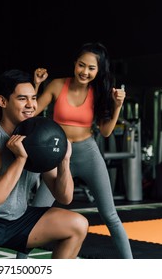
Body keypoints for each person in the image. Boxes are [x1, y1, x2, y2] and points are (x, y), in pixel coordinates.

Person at [0, 69, 88, 259]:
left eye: (33, 98)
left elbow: (64, 197)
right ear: (3, 102)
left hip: (19, 219)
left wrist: (64, 161)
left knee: (78, 225)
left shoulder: (39, 137)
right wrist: (20, 160)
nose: (31, 105)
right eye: (22, 99)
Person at [17, 42, 133, 259]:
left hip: (88, 153)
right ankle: (20, 266)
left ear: (98, 71)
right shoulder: (57, 85)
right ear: (74, 64)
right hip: (57, 154)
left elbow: (106, 131)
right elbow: (30, 115)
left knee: (110, 216)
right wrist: (37, 85)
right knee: (35, 215)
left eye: (91, 68)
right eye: (82, 65)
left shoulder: (100, 93)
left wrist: (117, 105)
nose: (85, 72)